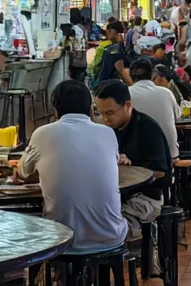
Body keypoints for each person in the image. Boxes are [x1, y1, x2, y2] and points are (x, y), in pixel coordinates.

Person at [17, 80, 128, 251]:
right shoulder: (107, 133)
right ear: (90, 108)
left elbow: (23, 172)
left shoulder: (42, 133)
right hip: (110, 236)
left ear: (55, 111)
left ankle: (45, 268)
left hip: (61, 241)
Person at [94, 80, 169, 237]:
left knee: (109, 223)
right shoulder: (110, 130)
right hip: (118, 195)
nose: (105, 119)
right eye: (101, 113)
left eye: (110, 113)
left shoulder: (147, 128)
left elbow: (160, 172)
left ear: (127, 106)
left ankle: (137, 246)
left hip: (146, 197)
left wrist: (131, 165)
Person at [126, 57, 182, 158]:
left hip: (138, 158)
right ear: (152, 74)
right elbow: (178, 116)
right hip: (170, 154)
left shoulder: (126, 94)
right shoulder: (166, 93)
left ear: (130, 76)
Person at [95, 20, 132, 84]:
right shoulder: (115, 49)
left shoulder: (112, 48)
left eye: (109, 30)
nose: (107, 32)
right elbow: (121, 71)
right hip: (109, 84)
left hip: (103, 83)